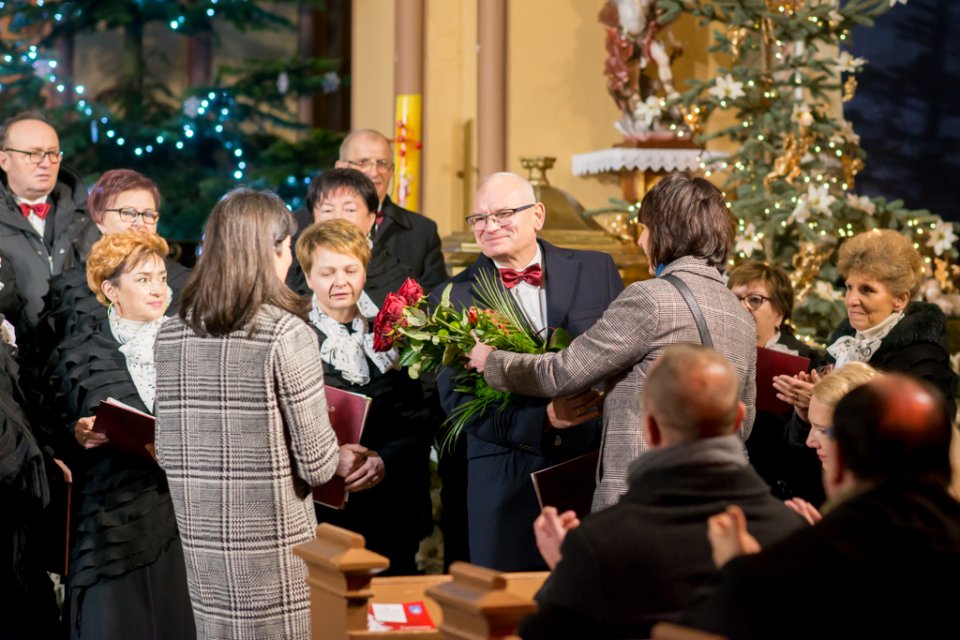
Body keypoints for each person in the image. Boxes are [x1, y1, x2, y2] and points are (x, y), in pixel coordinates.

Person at [469, 171, 757, 511]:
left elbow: (562, 373)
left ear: (667, 232)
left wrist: (493, 362)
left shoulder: (652, 298)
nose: (640, 241)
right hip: (714, 497)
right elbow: (745, 419)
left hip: (642, 498)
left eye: (645, 229)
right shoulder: (739, 314)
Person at [154, 188, 356, 639]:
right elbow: (318, 465)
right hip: (276, 552)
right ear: (275, 250)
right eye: (287, 249)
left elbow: (167, 452)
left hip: (203, 546)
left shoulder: (170, 332)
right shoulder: (286, 333)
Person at [521, 345, 805, 640]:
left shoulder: (601, 543)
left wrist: (568, 572)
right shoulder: (794, 533)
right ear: (737, 420)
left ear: (651, 429)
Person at [437, 171, 623, 571]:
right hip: (505, 479)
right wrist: (545, 419)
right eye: (479, 219)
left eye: (504, 213)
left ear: (537, 214)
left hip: (591, 469)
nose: (490, 226)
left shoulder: (597, 269)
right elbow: (458, 401)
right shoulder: (452, 297)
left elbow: (623, 360)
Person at [685, 374, 960, 639]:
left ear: (839, 466)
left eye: (823, 430)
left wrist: (737, 567)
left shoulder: (787, 571)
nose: (809, 441)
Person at [44, 231, 194, 639]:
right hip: (109, 522)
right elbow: (51, 436)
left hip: (182, 519)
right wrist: (76, 434)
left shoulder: (194, 345)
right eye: (143, 279)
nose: (158, 289)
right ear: (111, 289)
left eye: (161, 278)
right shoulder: (77, 352)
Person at [296, 219, 432, 575]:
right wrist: (329, 458)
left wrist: (385, 460)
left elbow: (420, 421)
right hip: (319, 512)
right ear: (308, 277)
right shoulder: (292, 338)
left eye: (350, 269)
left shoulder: (394, 335)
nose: (340, 282)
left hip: (391, 504)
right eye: (327, 272)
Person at [774, 229, 957, 449]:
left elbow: (921, 441)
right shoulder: (843, 344)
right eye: (849, 287)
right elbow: (808, 448)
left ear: (900, 299)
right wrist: (806, 414)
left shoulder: (923, 357)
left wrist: (833, 406)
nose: (851, 300)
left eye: (867, 290)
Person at [38, 169, 190, 343]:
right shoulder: (70, 288)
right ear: (99, 219)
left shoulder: (186, 284)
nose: (139, 223)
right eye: (128, 213)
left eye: (148, 214)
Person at [727, 261, 825, 503]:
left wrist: (810, 407)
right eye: (734, 298)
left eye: (754, 300)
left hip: (786, 486)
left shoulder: (808, 362)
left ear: (779, 313)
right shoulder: (715, 355)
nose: (742, 307)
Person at [0, 111, 98, 327]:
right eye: (34, 154)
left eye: (53, 153)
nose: (46, 163)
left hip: (76, 352)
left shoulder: (85, 217)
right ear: (4, 160)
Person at [335, 129, 447, 292]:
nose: (374, 172)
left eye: (382, 163)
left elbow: (436, 296)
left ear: (392, 170)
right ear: (340, 168)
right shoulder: (304, 223)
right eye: (363, 162)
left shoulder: (422, 231)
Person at [288, 168, 408, 306]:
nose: (337, 218)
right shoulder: (292, 274)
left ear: (370, 219)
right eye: (327, 210)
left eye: (349, 209)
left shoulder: (399, 279)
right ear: (313, 220)